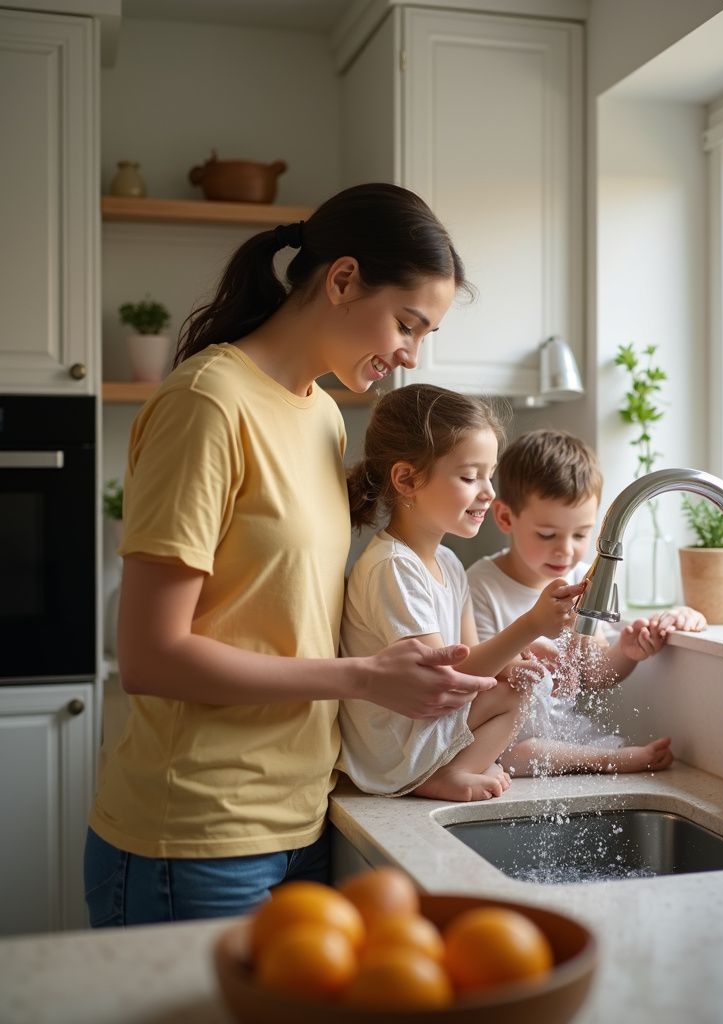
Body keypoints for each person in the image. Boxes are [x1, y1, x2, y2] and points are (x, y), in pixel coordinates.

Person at [85, 183, 500, 927]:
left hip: (304, 815)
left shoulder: (323, 418)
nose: (408, 354)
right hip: (197, 833)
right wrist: (366, 680)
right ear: (342, 280)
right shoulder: (208, 405)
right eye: (407, 324)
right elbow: (149, 655)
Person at [339, 385, 587, 803]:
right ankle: (437, 775)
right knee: (511, 690)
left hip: (424, 729)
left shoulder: (450, 564)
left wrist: (517, 658)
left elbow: (471, 657)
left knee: (517, 682)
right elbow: (441, 681)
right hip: (395, 751)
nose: (488, 492)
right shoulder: (394, 567)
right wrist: (529, 627)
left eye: (489, 475)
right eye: (470, 477)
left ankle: (450, 768)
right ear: (407, 479)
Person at [467, 429, 707, 777]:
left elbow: (594, 673)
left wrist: (627, 651)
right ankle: (611, 761)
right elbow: (476, 675)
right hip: (496, 738)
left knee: (551, 745)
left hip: (562, 737)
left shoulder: (585, 578)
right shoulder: (482, 584)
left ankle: (598, 756)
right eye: (547, 535)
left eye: (581, 534)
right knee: (517, 752)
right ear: (505, 518)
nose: (565, 550)